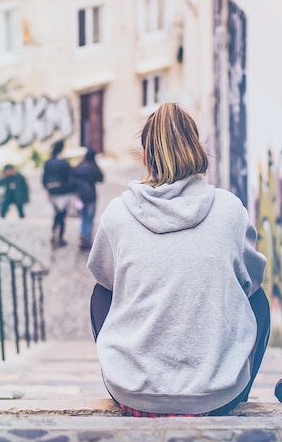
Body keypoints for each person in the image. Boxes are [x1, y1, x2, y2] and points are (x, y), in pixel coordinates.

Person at [86, 102, 270, 417]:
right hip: (217, 396)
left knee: (102, 292)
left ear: (145, 156)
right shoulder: (230, 209)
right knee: (257, 299)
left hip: (133, 393)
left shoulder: (117, 213)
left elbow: (105, 277)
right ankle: (233, 384)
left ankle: (127, 367)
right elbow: (252, 280)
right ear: (197, 151)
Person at [42, 140, 74, 248]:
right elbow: (70, 178)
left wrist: (47, 188)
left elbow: (44, 178)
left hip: (52, 192)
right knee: (62, 215)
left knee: (56, 213)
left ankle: (53, 233)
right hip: (63, 192)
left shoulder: (48, 162)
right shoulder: (64, 163)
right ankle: (60, 236)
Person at [72, 148, 105, 251]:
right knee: (89, 218)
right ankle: (87, 241)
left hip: (80, 196)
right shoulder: (93, 167)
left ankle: (82, 234)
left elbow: (72, 178)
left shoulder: (79, 166)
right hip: (91, 195)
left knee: (83, 217)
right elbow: (101, 178)